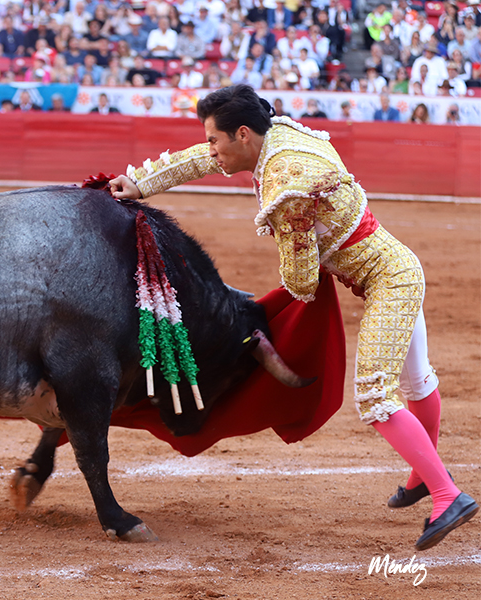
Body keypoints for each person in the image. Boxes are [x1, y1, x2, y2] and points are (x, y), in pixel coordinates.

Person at [108, 84, 477, 551]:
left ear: (243, 134)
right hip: (400, 266)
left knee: (375, 396)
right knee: (417, 382)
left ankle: (446, 495)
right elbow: (206, 158)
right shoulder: (278, 134)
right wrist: (141, 183)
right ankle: (424, 477)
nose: (211, 149)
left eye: (215, 139)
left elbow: (301, 281)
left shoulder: (287, 187)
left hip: (389, 283)